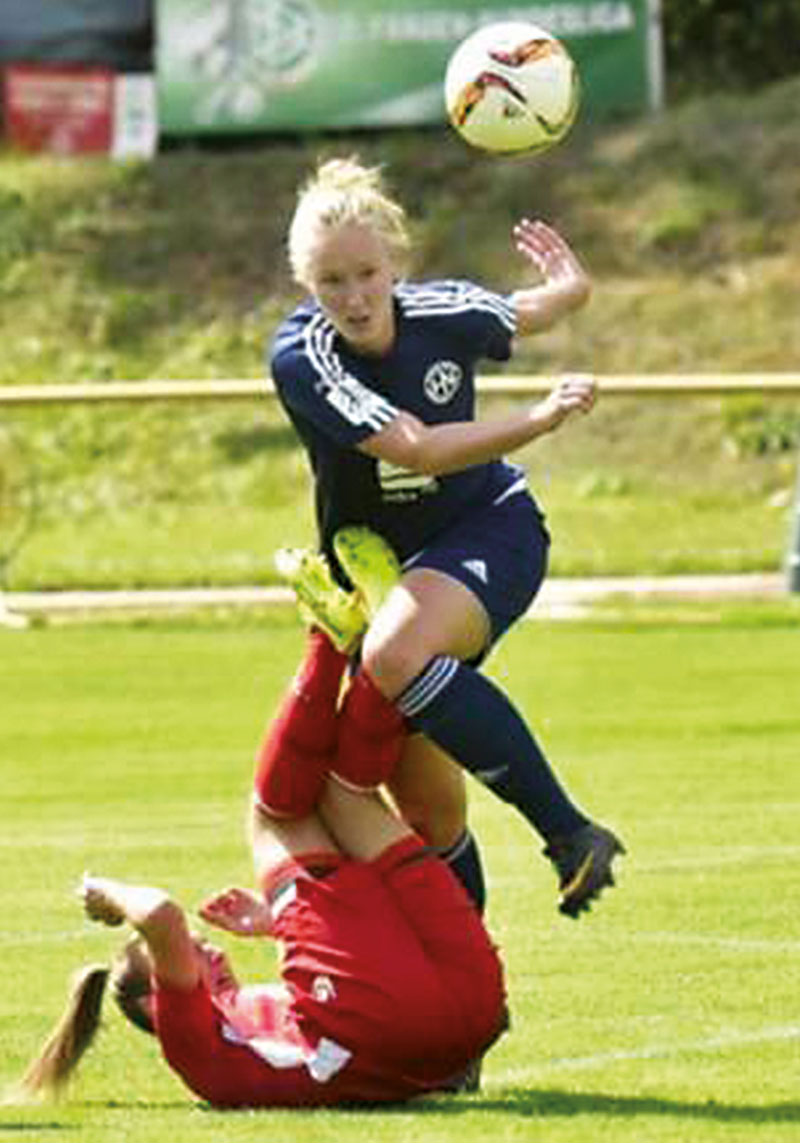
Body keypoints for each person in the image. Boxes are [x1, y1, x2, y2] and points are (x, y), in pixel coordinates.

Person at [269, 156, 624, 917]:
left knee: (394, 654)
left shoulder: (441, 309)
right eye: (332, 281)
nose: (356, 296)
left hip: (489, 529)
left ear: (394, 262)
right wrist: (541, 415)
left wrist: (573, 285)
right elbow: (418, 447)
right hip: (384, 581)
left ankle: (570, 833)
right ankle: (467, 1002)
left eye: (368, 272)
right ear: (305, 282)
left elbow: (534, 309)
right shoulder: (304, 357)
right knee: (431, 816)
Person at [17, 629, 506, 1108]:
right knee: (272, 815)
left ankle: (383, 648)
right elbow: (161, 915)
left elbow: (354, 997)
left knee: (341, 794)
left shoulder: (244, 1030)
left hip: (473, 1011)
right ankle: (337, 636)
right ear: (156, 1004)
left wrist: (277, 925)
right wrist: (103, 890)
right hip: (400, 1027)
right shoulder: (189, 1045)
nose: (207, 949)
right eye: (189, 954)